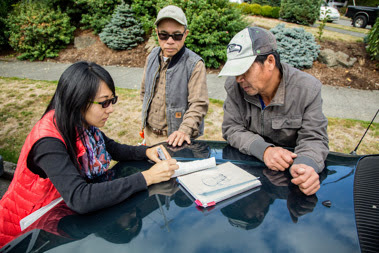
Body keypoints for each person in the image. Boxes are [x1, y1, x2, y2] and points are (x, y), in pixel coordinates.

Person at [0, 61, 178, 247]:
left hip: (56, 222)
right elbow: (80, 198)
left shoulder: (80, 124)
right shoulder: (48, 143)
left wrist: (146, 151)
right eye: (104, 103)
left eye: (112, 100)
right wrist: (147, 177)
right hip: (23, 234)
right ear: (78, 101)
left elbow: (112, 148)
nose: (111, 109)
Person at [219, 27, 329, 196]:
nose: (238, 79)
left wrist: (306, 165)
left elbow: (314, 138)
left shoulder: (308, 89)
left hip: (287, 182)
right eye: (235, 71)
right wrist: (264, 150)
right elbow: (232, 128)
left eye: (244, 69)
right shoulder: (234, 87)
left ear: (270, 61)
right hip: (247, 172)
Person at [140, 5, 209, 147]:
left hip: (176, 140)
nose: (170, 41)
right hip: (149, 135)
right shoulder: (151, 56)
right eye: (163, 35)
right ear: (156, 33)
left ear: (186, 34)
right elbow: (144, 92)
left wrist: (184, 131)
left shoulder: (195, 64)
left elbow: (198, 104)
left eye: (177, 35)